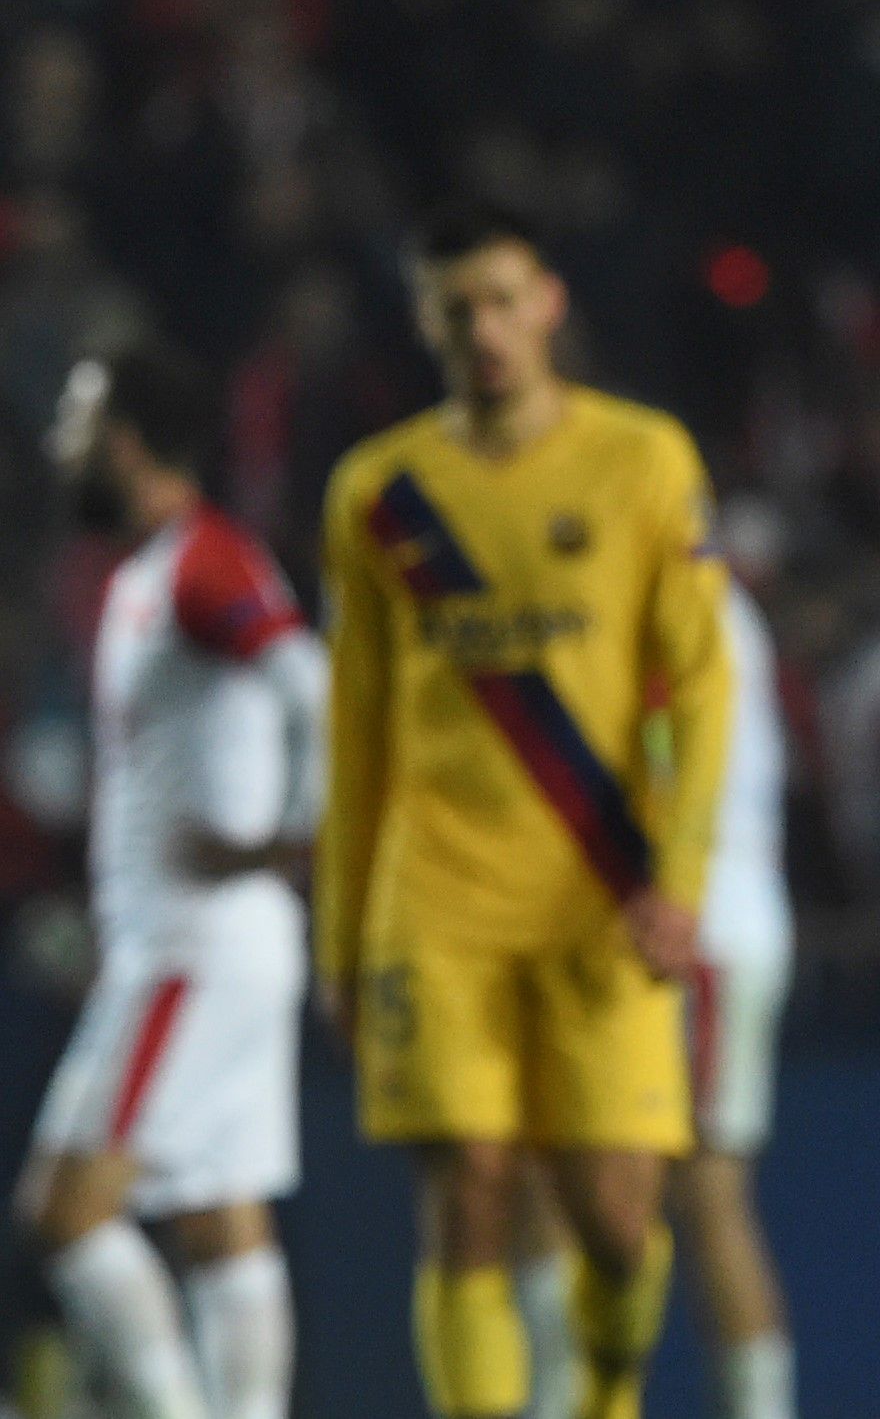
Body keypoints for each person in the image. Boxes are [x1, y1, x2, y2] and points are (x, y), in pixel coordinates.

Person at [319, 201, 734, 1419]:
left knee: (615, 1218)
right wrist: (338, 935)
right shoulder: (381, 493)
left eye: (504, 302)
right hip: (435, 896)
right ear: (427, 323)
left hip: (601, 888)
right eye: (459, 311)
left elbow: (706, 682)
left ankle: (606, 1390)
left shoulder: (643, 460)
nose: (486, 331)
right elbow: (356, 730)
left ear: (548, 302)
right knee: (471, 1187)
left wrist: (683, 875)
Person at [18, 348, 322, 1419]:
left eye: (78, 414)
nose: (62, 437)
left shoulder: (208, 562)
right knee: (215, 1216)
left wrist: (282, 844)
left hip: (197, 945)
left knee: (68, 1210)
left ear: (129, 437)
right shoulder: (151, 572)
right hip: (192, 940)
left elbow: (317, 696)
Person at [521, 573, 799, 1419]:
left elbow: (648, 764)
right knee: (581, 1182)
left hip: (693, 929)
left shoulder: (679, 600)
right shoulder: (715, 602)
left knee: (696, 1197)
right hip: (700, 920)